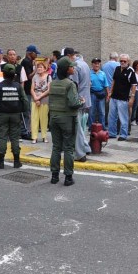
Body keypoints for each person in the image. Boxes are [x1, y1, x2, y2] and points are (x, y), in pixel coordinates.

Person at [48, 57, 84, 186]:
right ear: (66, 69)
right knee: (68, 148)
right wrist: (81, 102)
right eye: (71, 67)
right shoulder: (70, 84)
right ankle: (68, 177)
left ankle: (54, 176)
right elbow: (73, 103)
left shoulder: (52, 83)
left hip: (54, 118)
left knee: (56, 147)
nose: (73, 68)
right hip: (68, 119)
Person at [0, 64, 30, 169]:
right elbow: (25, 101)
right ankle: (16, 162)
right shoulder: (18, 86)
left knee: (2, 137)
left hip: (2, 114)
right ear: (14, 75)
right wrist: (24, 111)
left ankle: (1, 162)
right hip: (16, 115)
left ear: (3, 74)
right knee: (15, 138)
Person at [107, 54, 136, 142]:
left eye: (124, 61)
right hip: (114, 96)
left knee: (123, 117)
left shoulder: (131, 71)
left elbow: (134, 85)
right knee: (111, 116)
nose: (122, 62)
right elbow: (114, 81)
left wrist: (132, 97)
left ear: (128, 62)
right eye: (121, 61)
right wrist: (110, 92)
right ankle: (112, 133)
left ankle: (123, 134)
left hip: (123, 98)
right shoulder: (117, 68)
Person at [31, 61, 51, 143]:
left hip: (44, 98)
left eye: (41, 67)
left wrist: (39, 97)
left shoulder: (48, 77)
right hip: (35, 98)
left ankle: (44, 136)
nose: (39, 69)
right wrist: (35, 97)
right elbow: (32, 88)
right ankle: (34, 137)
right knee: (34, 118)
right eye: (38, 67)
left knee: (44, 118)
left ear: (45, 69)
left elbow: (49, 90)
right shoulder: (34, 77)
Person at [89, 58, 109, 128]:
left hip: (101, 94)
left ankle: (102, 127)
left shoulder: (103, 73)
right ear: (92, 64)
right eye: (95, 63)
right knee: (92, 112)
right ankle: (91, 128)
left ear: (100, 64)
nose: (97, 65)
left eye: (98, 63)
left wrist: (108, 95)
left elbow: (106, 85)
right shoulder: (89, 73)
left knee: (102, 112)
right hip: (92, 94)